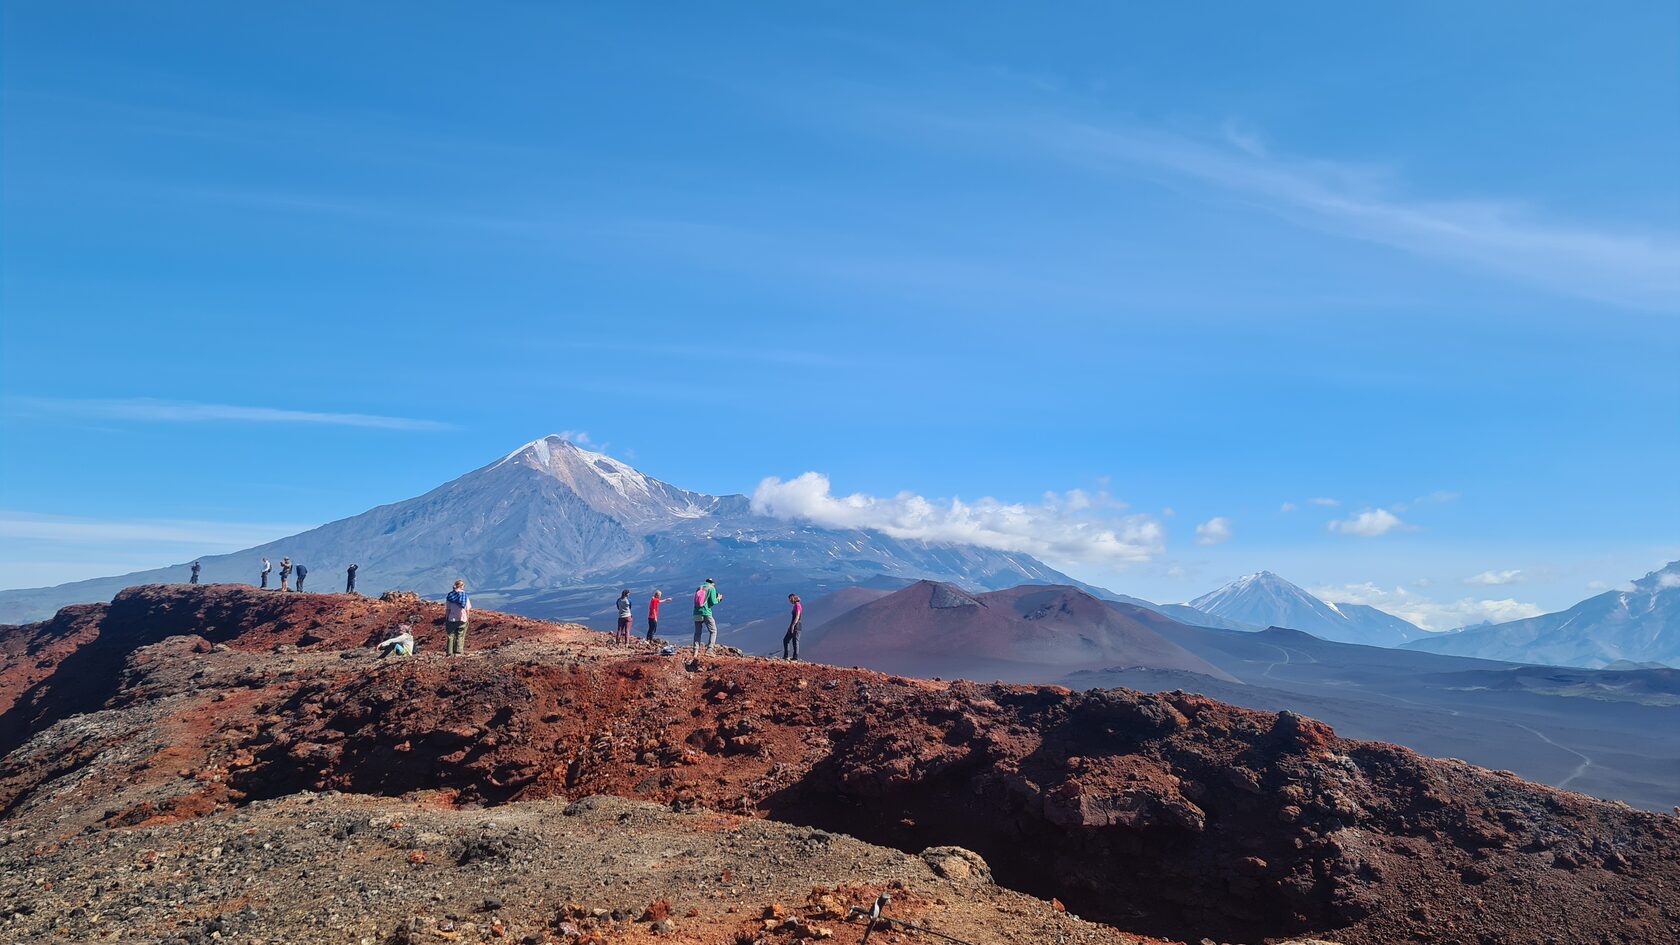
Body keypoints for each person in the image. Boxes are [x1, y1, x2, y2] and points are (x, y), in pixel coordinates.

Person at [692, 578, 722, 658]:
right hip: (706, 612)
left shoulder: (699, 588)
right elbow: (713, 601)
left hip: (696, 612)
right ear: (713, 583)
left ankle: (695, 652)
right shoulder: (712, 588)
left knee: (697, 633)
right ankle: (709, 650)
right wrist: (719, 599)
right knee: (713, 631)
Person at [445, 580, 471, 655]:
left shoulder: (450, 596)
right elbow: (467, 608)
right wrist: (467, 617)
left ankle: (449, 652)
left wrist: (446, 617)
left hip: (451, 618)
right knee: (460, 635)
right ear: (462, 586)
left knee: (451, 636)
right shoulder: (464, 596)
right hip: (462, 618)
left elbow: (447, 609)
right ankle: (458, 651)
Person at [784, 593, 803, 661]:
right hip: (796, 625)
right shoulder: (796, 605)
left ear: (793, 598)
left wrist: (792, 625)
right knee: (792, 641)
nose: (789, 600)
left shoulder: (797, 606)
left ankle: (792, 657)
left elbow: (797, 616)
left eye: (790, 599)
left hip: (796, 625)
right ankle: (793, 657)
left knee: (789, 640)